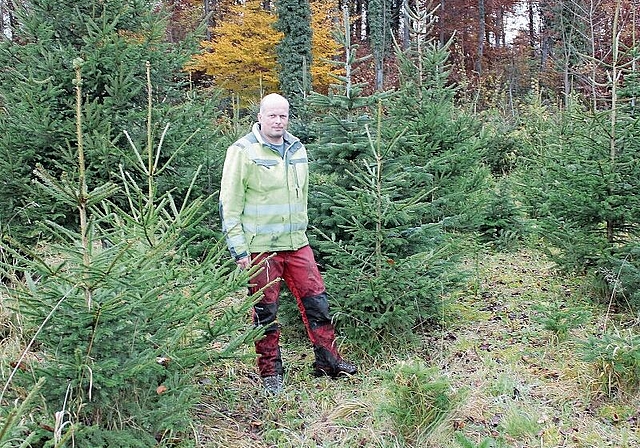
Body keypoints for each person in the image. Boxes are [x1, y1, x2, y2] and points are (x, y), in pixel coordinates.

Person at [219, 93, 357, 394]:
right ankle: (271, 371)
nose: (278, 121)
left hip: (296, 244)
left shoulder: (297, 149)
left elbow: (303, 194)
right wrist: (239, 250)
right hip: (260, 247)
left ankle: (328, 361)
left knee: (317, 302)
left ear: (288, 117)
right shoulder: (243, 151)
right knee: (265, 311)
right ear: (260, 116)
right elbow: (229, 205)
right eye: (272, 115)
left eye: (283, 115)